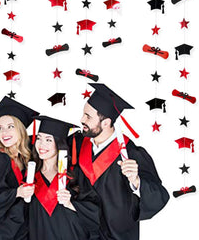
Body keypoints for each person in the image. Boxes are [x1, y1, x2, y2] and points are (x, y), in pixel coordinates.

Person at [74, 83, 170, 240]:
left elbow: (160, 196)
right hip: (83, 232)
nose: (81, 120)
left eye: (88, 116)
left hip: (117, 235)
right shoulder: (78, 144)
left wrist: (137, 181)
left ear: (106, 122)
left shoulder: (131, 154)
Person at [0, 96, 39, 240]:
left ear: (21, 129)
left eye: (10, 126)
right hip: (2, 232)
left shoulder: (25, 156)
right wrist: (17, 193)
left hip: (23, 229)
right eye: (0, 128)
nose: (4, 133)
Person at [28, 115, 101, 240]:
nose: (41, 144)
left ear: (59, 143)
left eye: (48, 140)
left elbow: (94, 211)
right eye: (39, 138)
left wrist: (70, 204)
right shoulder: (30, 176)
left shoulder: (74, 175)